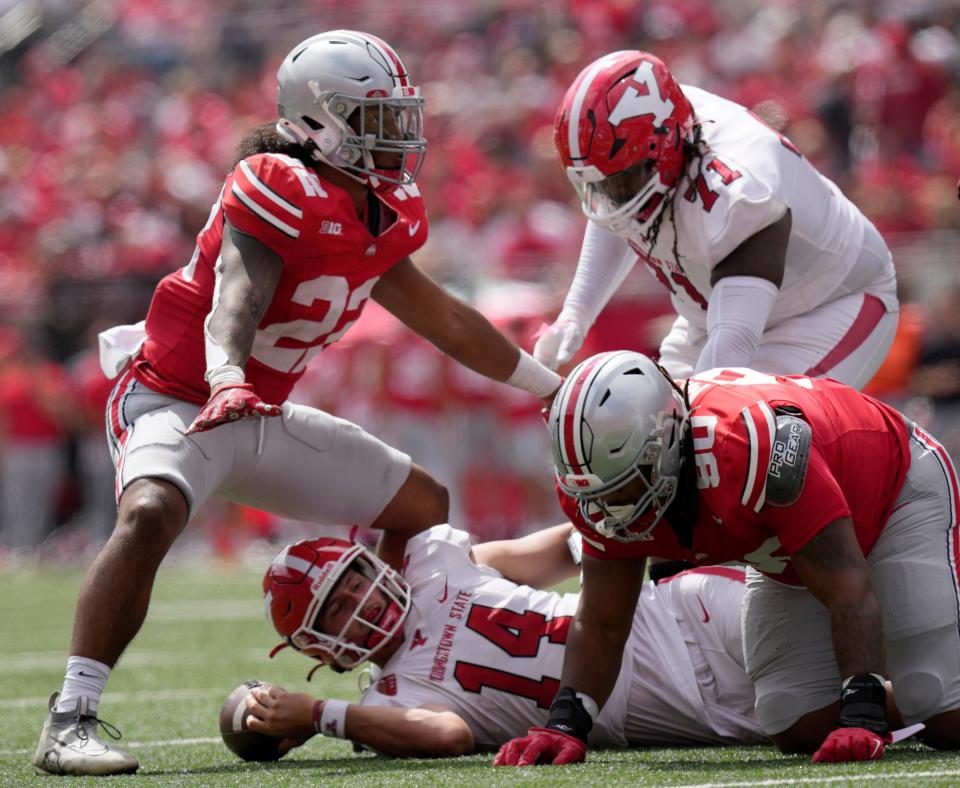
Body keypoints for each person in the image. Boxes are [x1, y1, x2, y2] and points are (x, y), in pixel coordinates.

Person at [33, 30, 561, 777]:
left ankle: (401, 664)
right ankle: (70, 719)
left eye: (399, 117)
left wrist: (551, 388)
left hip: (255, 414)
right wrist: (225, 376)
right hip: (178, 398)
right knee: (150, 511)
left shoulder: (386, 210)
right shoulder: (275, 181)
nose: (399, 137)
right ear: (317, 123)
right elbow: (235, 297)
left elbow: (444, 318)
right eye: (376, 119)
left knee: (422, 504)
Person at [497, 350, 960, 767]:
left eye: (627, 484)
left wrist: (863, 709)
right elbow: (602, 619)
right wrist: (565, 722)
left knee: (941, 707)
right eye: (602, 491)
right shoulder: (596, 492)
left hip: (893, 493)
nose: (612, 509)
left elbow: (847, 587)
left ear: (668, 440)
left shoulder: (756, 446)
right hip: (788, 548)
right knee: (792, 717)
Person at [533, 51, 899, 390]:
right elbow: (618, 215)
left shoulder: (741, 193)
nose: (611, 199)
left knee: (736, 435)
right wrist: (576, 314)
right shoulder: (656, 127)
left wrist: (688, 420)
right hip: (711, 314)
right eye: (600, 187)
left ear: (665, 151)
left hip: (830, 305)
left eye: (620, 183)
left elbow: (730, 349)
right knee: (647, 440)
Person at [246, 524, 766, 756]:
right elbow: (448, 735)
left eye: (354, 578)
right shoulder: (390, 700)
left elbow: (561, 548)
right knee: (812, 725)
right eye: (337, 607)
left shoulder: (435, 563)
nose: (362, 597)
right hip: (685, 710)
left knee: (841, 650)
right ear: (320, 647)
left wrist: (598, 533)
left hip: (678, 615)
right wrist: (321, 716)